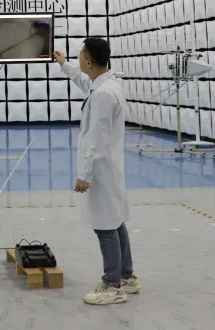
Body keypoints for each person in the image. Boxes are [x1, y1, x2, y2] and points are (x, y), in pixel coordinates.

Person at [54, 37, 138, 305]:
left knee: (104, 226)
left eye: (80, 56)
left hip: (101, 170)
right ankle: (127, 276)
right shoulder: (107, 85)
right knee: (116, 220)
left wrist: (84, 175)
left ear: (89, 61)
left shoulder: (103, 94)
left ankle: (112, 286)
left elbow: (96, 140)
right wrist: (64, 64)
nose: (79, 59)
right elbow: (84, 83)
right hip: (109, 167)